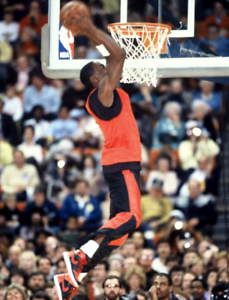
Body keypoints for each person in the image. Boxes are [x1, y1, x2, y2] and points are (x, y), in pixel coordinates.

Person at [54, 10, 142, 300]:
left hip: (118, 164)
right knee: (130, 217)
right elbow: (118, 57)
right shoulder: (103, 93)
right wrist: (89, 28)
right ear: (96, 78)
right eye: (102, 71)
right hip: (122, 163)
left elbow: (110, 57)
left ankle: (73, 273)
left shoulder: (103, 92)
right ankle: (81, 250)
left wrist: (99, 42)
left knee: (122, 231)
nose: (109, 71)